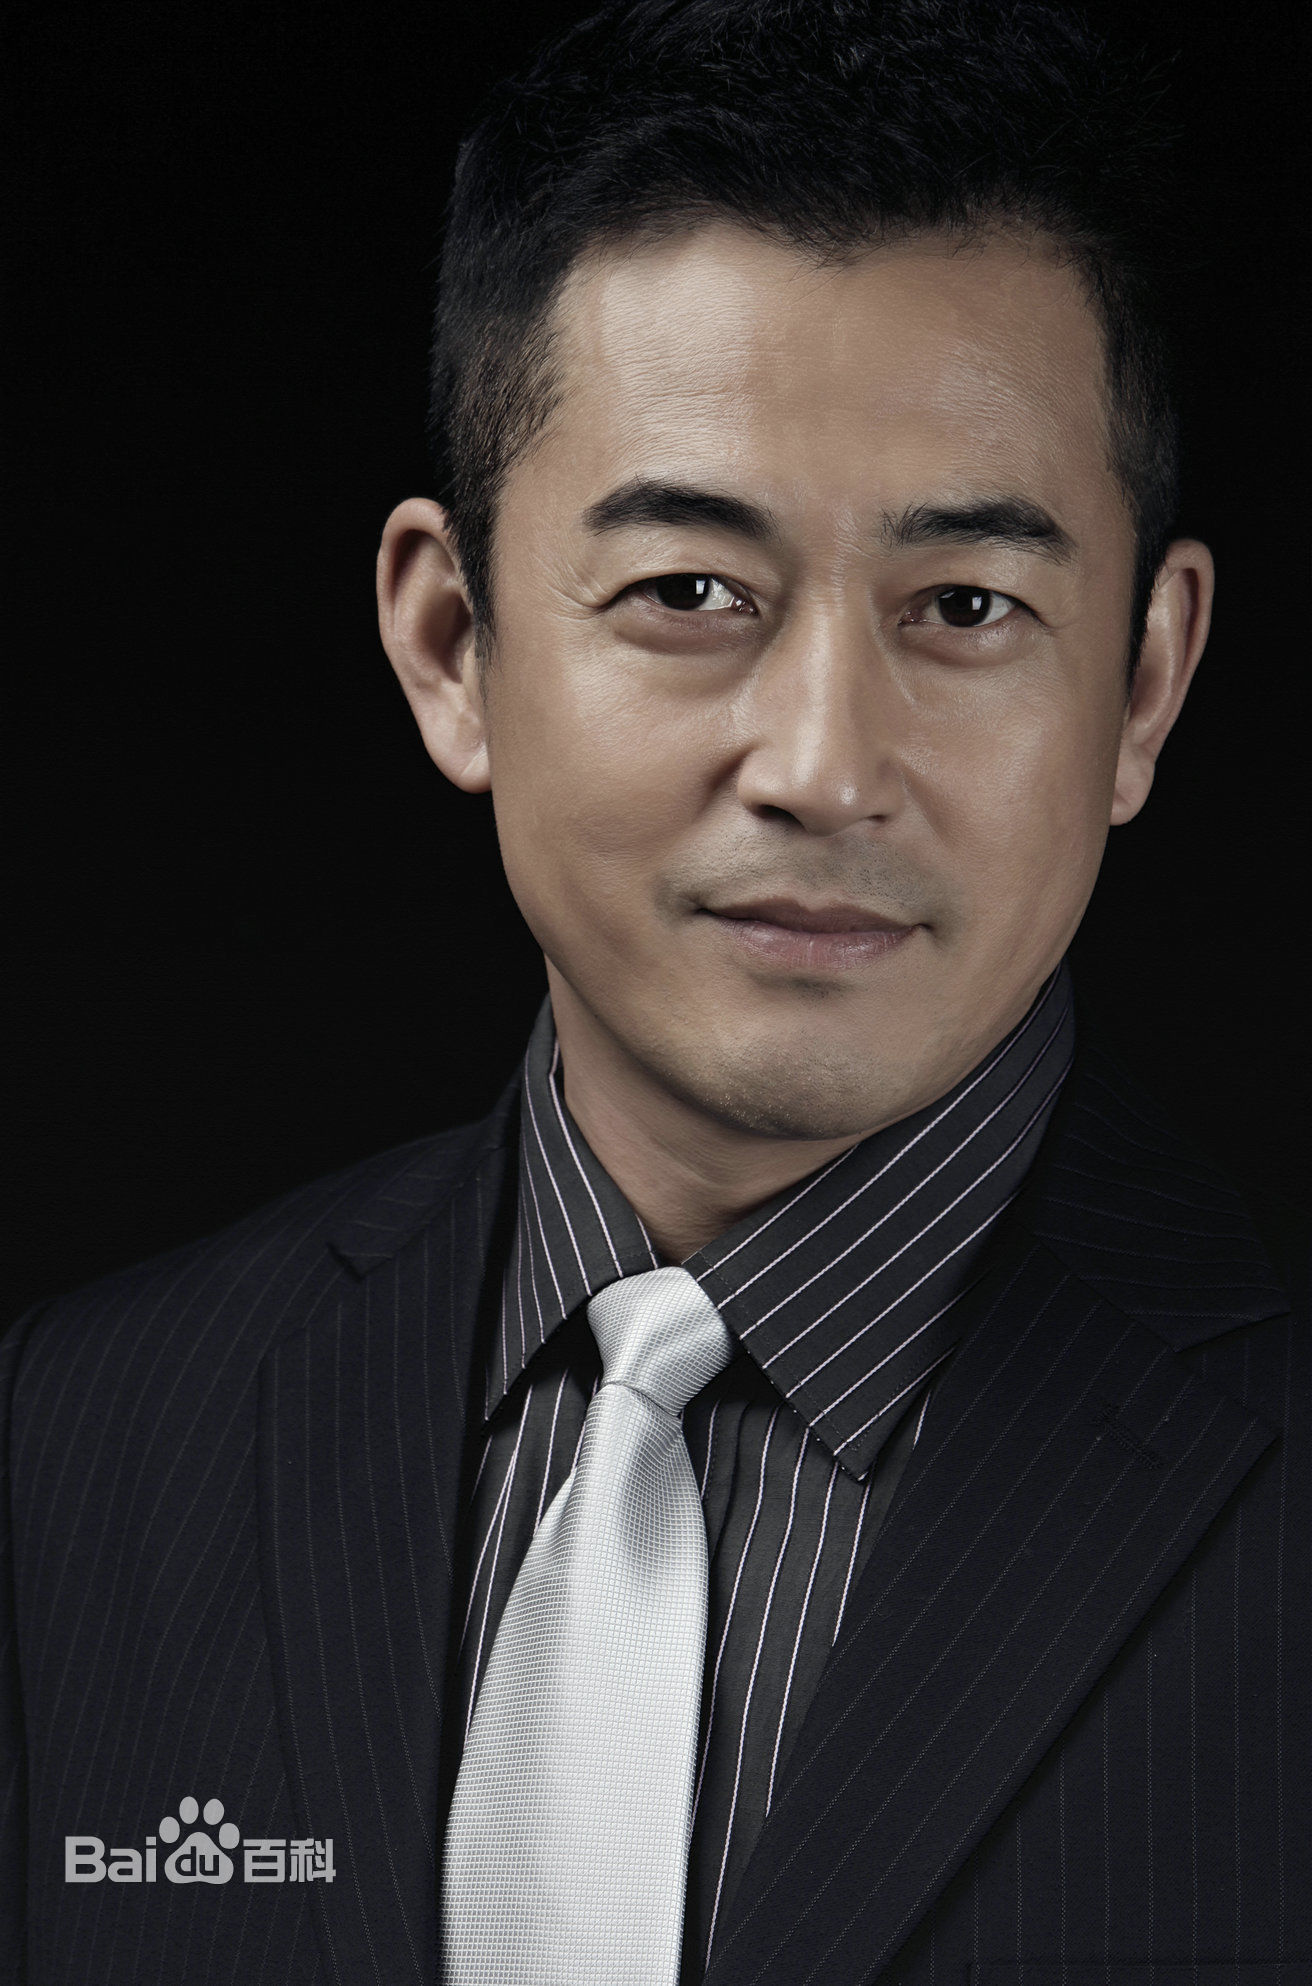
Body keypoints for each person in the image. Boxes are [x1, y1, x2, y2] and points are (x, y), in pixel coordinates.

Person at [2, 0, 1306, 1980]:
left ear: (1141, 679)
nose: (822, 764)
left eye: (966, 606)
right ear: (452, 643)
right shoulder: (83, 1444)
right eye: (689, 592)